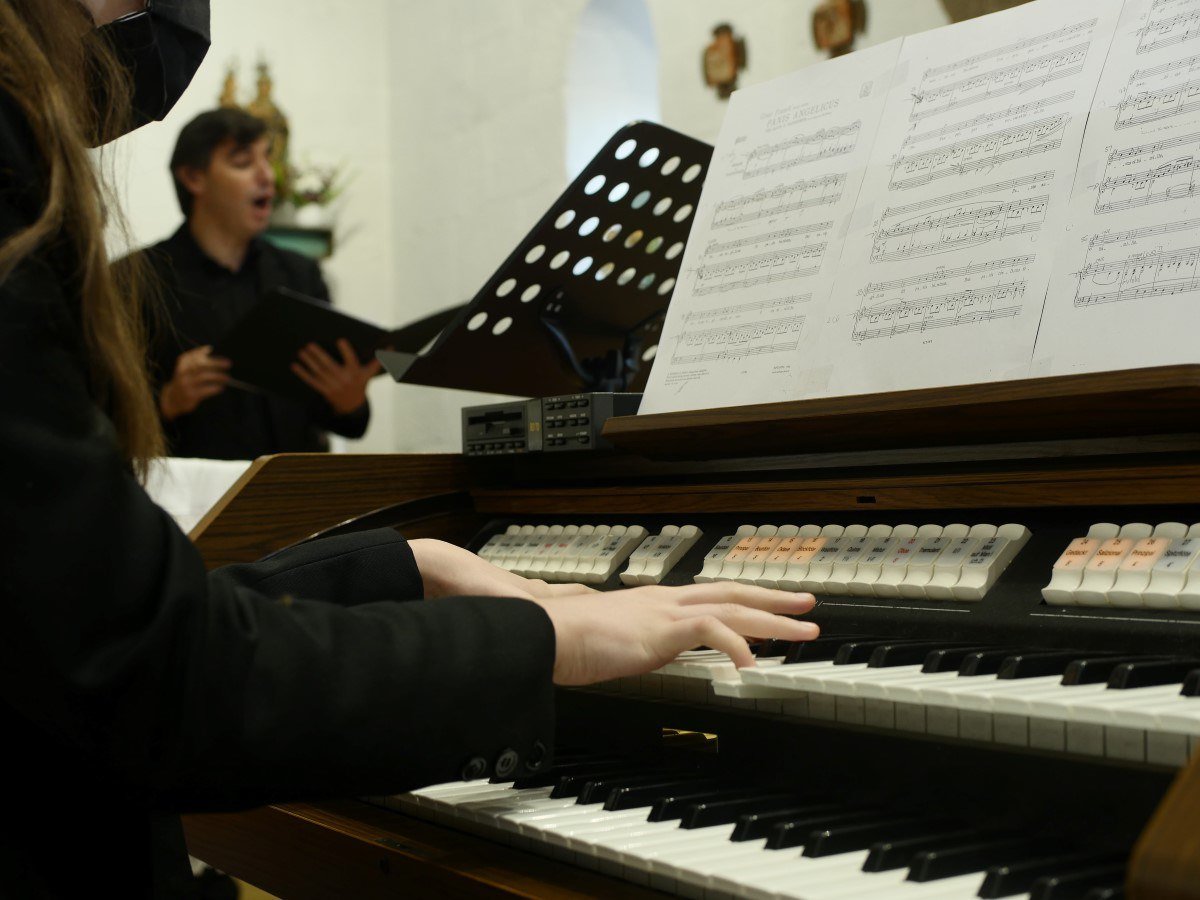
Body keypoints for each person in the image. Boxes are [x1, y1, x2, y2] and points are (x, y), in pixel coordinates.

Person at [0, 1, 819, 896]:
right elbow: (151, 673)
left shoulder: (290, 273)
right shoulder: (64, 215)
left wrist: (402, 562)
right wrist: (537, 635)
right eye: (244, 158)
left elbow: (77, 616)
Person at [137, 106, 379, 459]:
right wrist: (168, 400)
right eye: (243, 162)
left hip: (292, 496)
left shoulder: (301, 275)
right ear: (193, 177)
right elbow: (98, 421)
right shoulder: (137, 280)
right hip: (188, 503)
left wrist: (350, 401)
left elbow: (349, 423)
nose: (267, 176)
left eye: (268, 159)